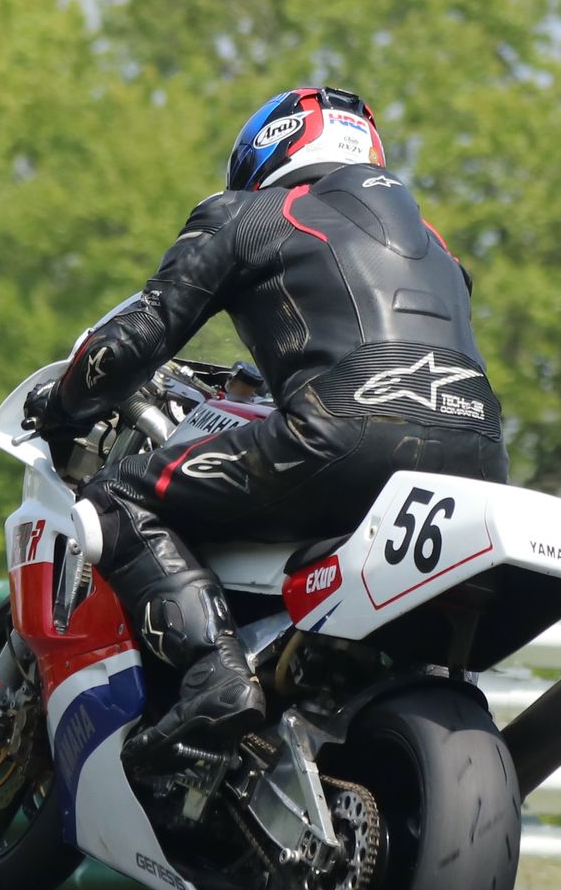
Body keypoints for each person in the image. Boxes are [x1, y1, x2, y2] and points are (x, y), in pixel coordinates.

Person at [35, 85, 509, 767]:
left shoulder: (257, 212)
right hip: (481, 460)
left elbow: (137, 336)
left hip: (347, 435)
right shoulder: (436, 247)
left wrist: (63, 408)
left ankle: (212, 678)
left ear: (271, 145)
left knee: (116, 499)